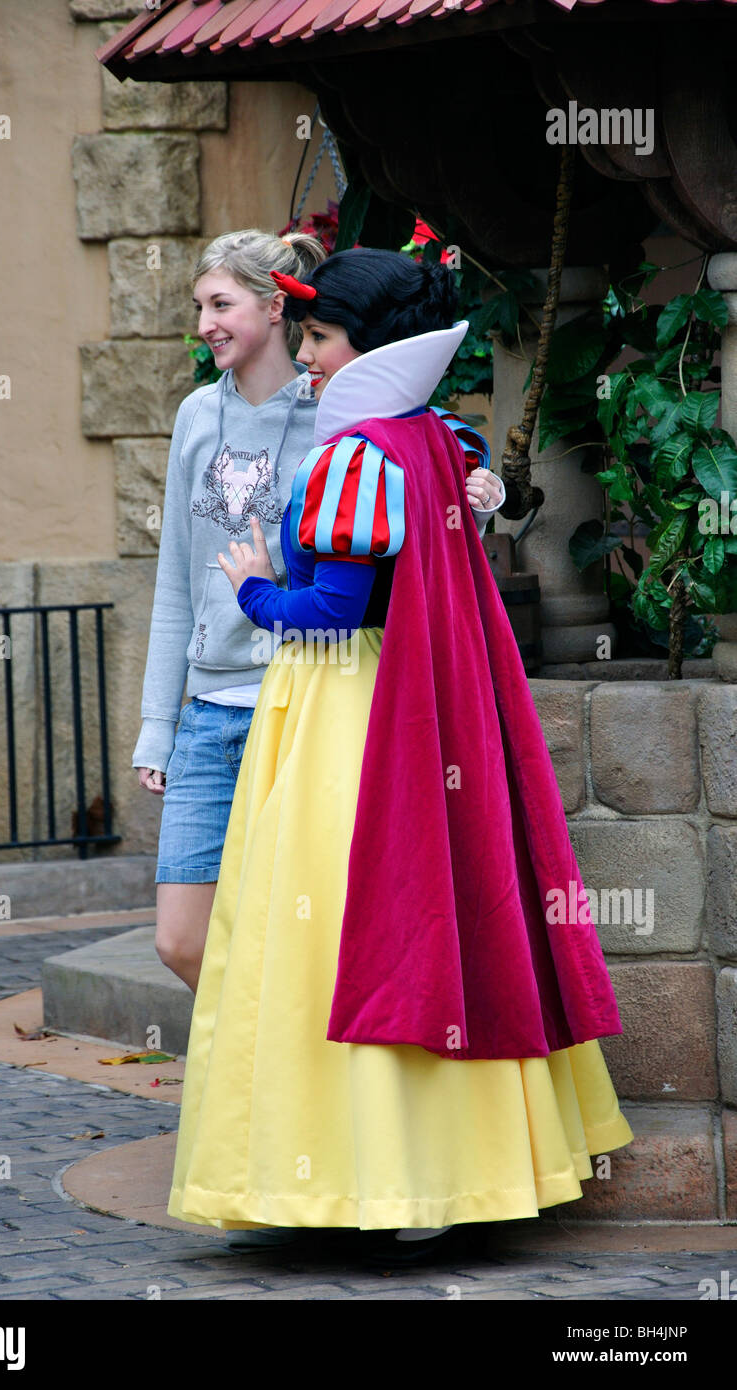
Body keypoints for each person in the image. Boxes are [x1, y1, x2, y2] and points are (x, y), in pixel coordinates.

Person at [166, 247, 633, 1265]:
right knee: (433, 908)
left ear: (368, 342)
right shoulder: (438, 439)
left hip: (345, 712)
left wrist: (253, 587)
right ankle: (453, 1175)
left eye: (322, 338)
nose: (310, 357)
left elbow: (329, 610)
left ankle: (362, 1177)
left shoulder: (352, 458)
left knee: (336, 924)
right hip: (420, 702)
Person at [132, 228, 325, 992]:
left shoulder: (334, 412)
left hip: (302, 704)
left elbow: (398, 522)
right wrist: (159, 725)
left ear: (275, 307)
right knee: (181, 940)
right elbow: (174, 578)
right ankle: (254, 1073)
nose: (205, 322)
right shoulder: (194, 418)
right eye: (199, 306)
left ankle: (285, 1099)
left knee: (299, 933)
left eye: (221, 303)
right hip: (209, 714)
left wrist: (480, 504)